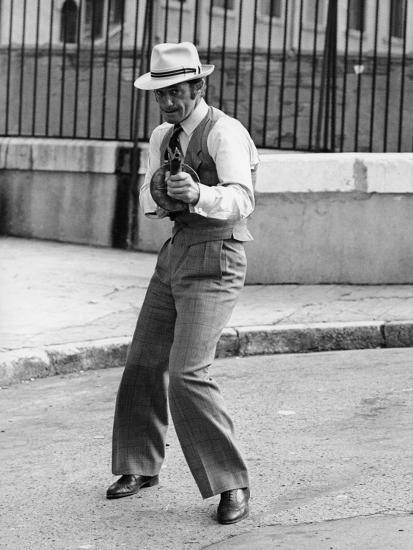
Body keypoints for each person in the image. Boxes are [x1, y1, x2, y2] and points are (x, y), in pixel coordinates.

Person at [106, 42, 259, 525]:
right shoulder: (162, 136)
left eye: (178, 92)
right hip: (176, 253)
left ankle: (231, 483)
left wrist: (199, 193)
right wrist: (165, 197)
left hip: (218, 255)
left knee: (188, 372)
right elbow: (154, 200)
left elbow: (242, 200)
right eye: (161, 94)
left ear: (199, 87)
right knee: (143, 362)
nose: (169, 102)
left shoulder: (225, 132)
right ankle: (139, 466)